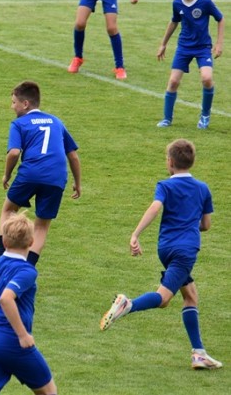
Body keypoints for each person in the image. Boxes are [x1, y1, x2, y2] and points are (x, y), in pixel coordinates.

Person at [100, 139, 221, 370]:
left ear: (170, 162)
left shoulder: (164, 185)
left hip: (165, 248)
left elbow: (156, 207)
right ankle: (128, 304)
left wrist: (135, 234)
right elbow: (206, 225)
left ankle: (199, 354)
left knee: (190, 295)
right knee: (163, 298)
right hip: (186, 251)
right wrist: (190, 225)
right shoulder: (202, 188)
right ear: (192, 162)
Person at [0, 212, 57, 395]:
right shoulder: (27, 271)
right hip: (12, 341)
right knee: (49, 391)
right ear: (31, 242)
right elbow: (6, 298)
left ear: (4, 242)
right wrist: (23, 335)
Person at [0, 81, 81, 266]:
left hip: (30, 173)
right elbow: (73, 156)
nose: (12, 107)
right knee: (42, 225)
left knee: (8, 210)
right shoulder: (56, 121)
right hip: (56, 178)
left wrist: (7, 175)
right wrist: (77, 183)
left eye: (14, 102)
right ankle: (26, 268)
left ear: (25, 104)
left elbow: (14, 153)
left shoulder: (19, 123)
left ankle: (2, 260)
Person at [156, 0, 224, 129]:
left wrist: (219, 43)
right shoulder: (177, 3)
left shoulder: (205, 2)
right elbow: (174, 22)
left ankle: (205, 115)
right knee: (173, 81)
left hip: (202, 48)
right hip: (184, 47)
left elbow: (220, 19)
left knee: (207, 78)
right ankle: (167, 118)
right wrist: (163, 44)